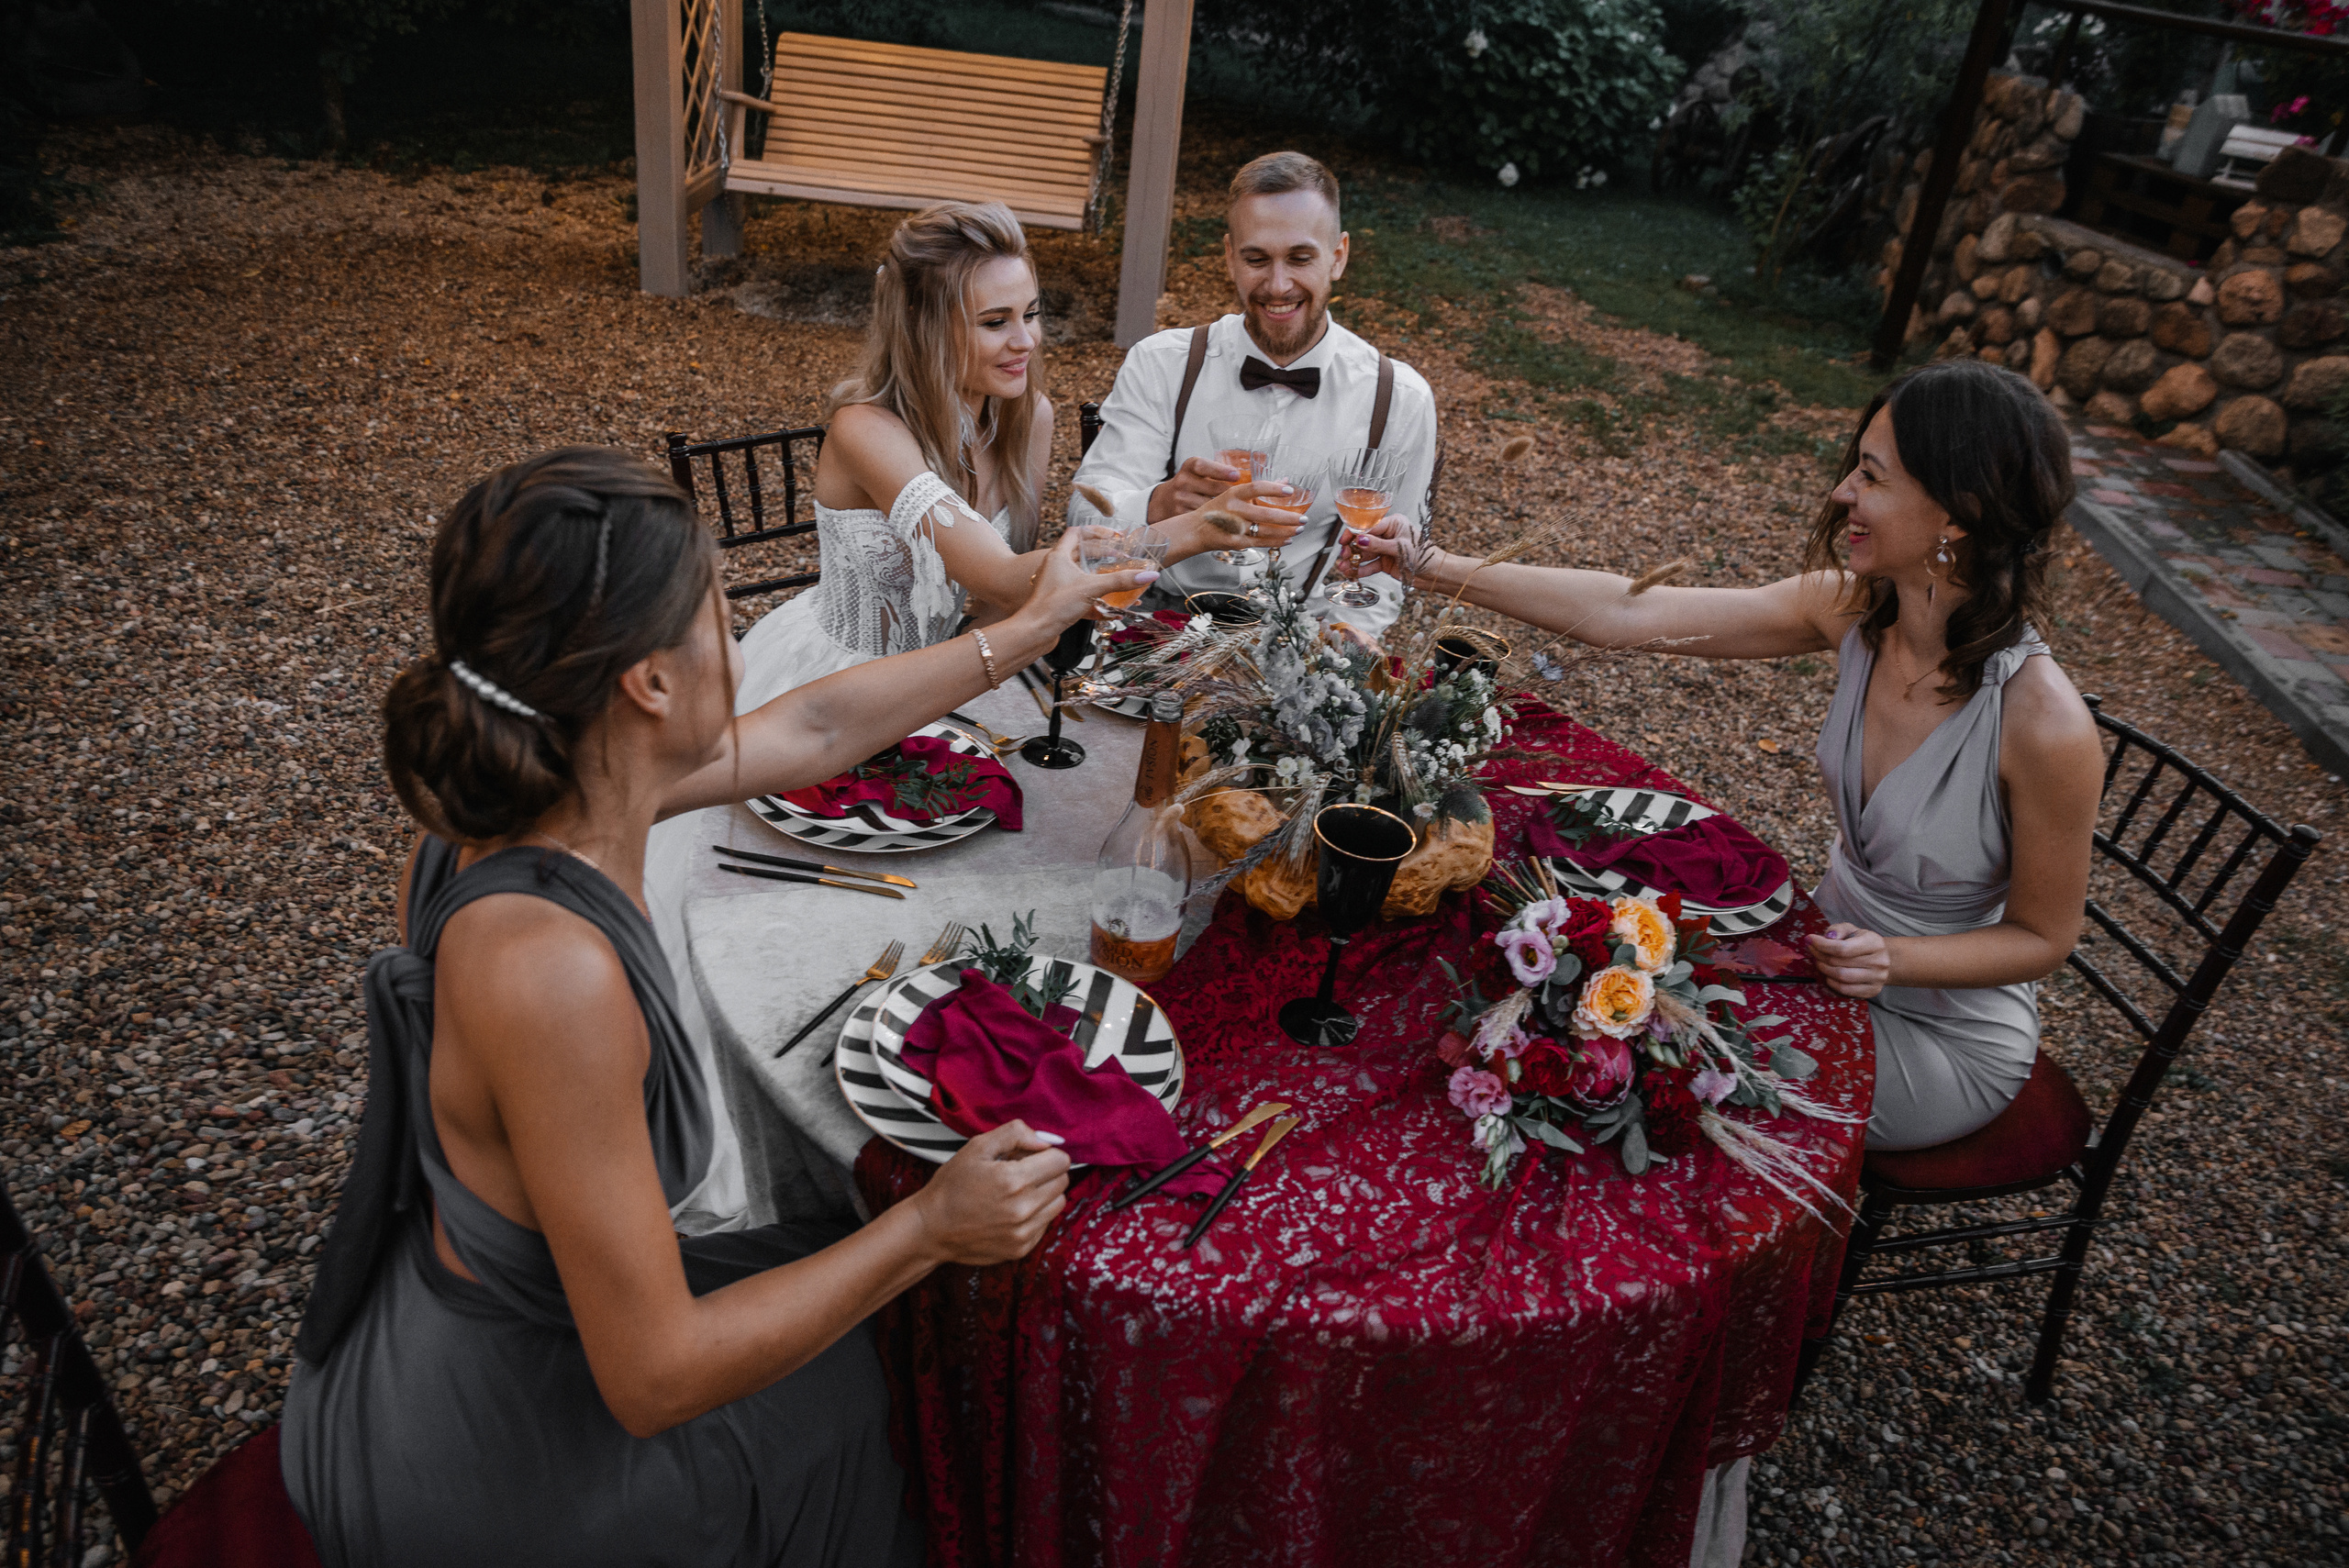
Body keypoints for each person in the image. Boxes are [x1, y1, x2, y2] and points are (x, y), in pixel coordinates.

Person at [281, 447, 1156, 1565]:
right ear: (647, 683)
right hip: (511, 1457)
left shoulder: (549, 778)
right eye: (712, 622)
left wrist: (1030, 629)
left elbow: (814, 729)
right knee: (917, 1383)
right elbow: (655, 1377)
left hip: (534, 1321)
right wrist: (928, 1225)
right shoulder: (556, 974)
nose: (735, 651)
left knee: (891, 1299)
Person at [643, 199, 1259, 1232]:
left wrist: (1146, 515)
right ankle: (778, 1152)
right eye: (995, 321)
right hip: (832, 677)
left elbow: (1007, 599)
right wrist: (1185, 529)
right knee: (780, 913)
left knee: (953, 894)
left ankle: (925, 1075)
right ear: (933, 328)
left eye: (1031, 314)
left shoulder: (1027, 412)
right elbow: (1009, 571)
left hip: (950, 682)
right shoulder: (866, 429)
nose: (1027, 341)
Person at [1351, 358, 2104, 1154]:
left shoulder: (2043, 723)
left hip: (1943, 1034)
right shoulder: (1853, 612)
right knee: (1583, 1005)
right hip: (1815, 950)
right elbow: (1629, 611)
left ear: (1959, 514)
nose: (1844, 490)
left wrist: (1895, 957)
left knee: (1647, 1072)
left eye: (1873, 476)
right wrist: (1429, 566)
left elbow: (2044, 936)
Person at [1071, 150, 1438, 639]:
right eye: (1256, 259)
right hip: (1152, 628)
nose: (1278, 284)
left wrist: (1350, 642)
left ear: (1339, 257)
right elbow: (1084, 517)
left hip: (1299, 645)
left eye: (1301, 258)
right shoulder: (1162, 363)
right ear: (1229, 257)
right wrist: (1160, 502)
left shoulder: (1400, 398)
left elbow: (1392, 560)